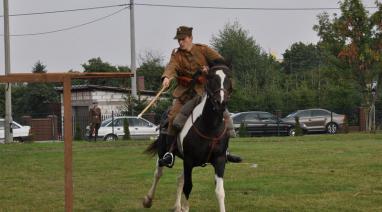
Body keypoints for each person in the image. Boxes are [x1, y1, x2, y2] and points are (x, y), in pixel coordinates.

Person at [158, 26, 242, 167]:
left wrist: (209, 70)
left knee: (224, 117)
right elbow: (171, 67)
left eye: (183, 39)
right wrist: (166, 77)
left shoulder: (203, 50)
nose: (180, 42)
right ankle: (170, 154)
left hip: (204, 92)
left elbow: (220, 63)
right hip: (184, 93)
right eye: (179, 40)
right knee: (172, 117)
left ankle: (224, 151)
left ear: (190, 38)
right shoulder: (176, 55)